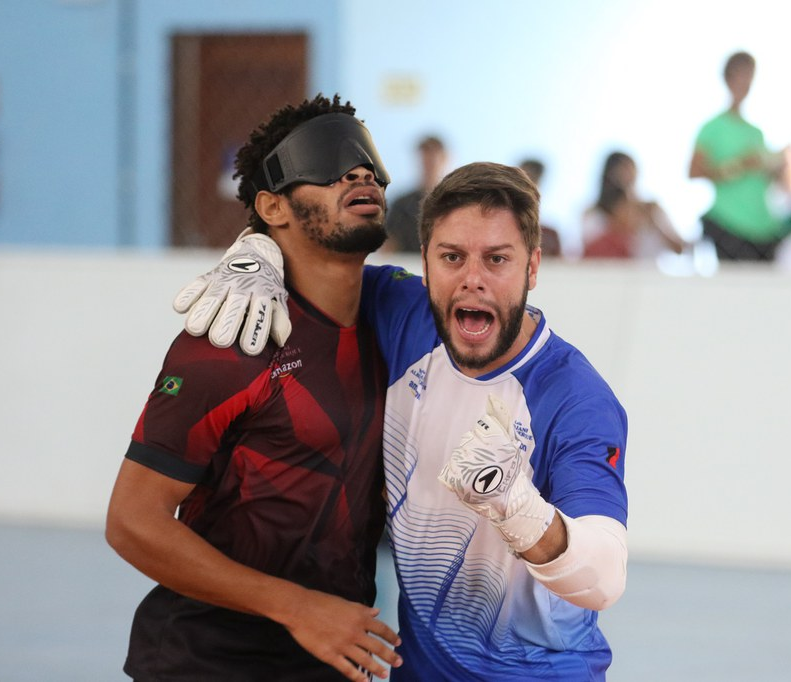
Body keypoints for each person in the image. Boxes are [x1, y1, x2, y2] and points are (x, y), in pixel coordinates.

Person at [173, 162, 630, 680]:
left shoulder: (574, 399)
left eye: (497, 259)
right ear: (426, 263)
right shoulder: (405, 312)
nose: (473, 279)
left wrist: (518, 509)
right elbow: (317, 261)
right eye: (452, 257)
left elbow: (605, 576)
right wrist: (257, 254)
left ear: (533, 268)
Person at [105, 94, 403, 682]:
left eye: (369, 164)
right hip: (205, 664)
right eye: (327, 163)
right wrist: (298, 608)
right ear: (272, 206)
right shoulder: (230, 340)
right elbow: (133, 521)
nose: (360, 174)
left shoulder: (395, 319)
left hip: (332, 655)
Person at [689, 51, 790, 261]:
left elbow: (770, 181)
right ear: (727, 78)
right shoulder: (712, 128)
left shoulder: (756, 133)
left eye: (749, 75)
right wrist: (739, 165)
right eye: (740, 74)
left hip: (763, 227)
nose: (745, 81)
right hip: (728, 223)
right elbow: (694, 171)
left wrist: (778, 166)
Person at [582, 151, 686, 260]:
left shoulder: (651, 209)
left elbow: (680, 248)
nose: (626, 177)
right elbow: (588, 252)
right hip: (607, 270)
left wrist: (653, 221)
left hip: (649, 270)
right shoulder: (592, 214)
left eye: (629, 170)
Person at [383, 134, 448, 252]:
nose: (428, 165)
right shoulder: (401, 205)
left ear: (444, 159)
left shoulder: (455, 202)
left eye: (432, 159)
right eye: (425, 160)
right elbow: (389, 246)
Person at [519, 157, 563, 257]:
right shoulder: (499, 230)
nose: (530, 186)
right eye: (524, 180)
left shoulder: (550, 235)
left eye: (535, 179)